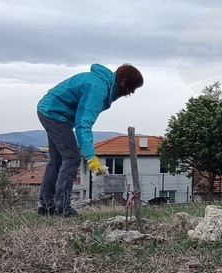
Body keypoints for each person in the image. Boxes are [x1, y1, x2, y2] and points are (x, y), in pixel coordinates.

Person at [36, 63, 144, 216]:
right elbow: (83, 124)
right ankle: (62, 207)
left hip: (49, 109)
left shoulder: (104, 84)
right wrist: (91, 157)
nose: (131, 92)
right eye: (133, 87)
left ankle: (46, 206)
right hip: (54, 114)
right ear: (124, 81)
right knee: (72, 158)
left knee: (57, 160)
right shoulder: (98, 89)